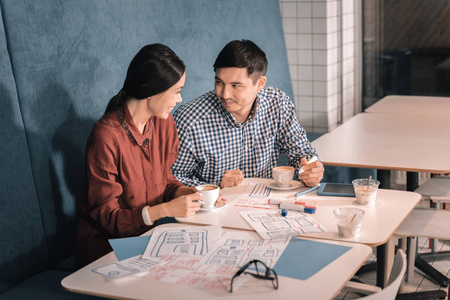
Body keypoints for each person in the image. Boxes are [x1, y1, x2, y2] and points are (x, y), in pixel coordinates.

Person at [76, 44, 206, 268]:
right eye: (176, 91)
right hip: (106, 252)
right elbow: (108, 217)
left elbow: (164, 180)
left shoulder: (164, 125)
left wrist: (190, 193)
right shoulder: (105, 136)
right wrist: (164, 210)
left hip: (146, 243)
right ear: (153, 91)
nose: (180, 99)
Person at [172, 40, 324, 189]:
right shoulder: (190, 120)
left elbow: (302, 153)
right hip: (213, 210)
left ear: (260, 84)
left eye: (235, 86)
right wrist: (214, 187)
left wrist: (311, 170)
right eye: (219, 82)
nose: (225, 94)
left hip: (264, 205)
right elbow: (172, 178)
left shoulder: (278, 103)